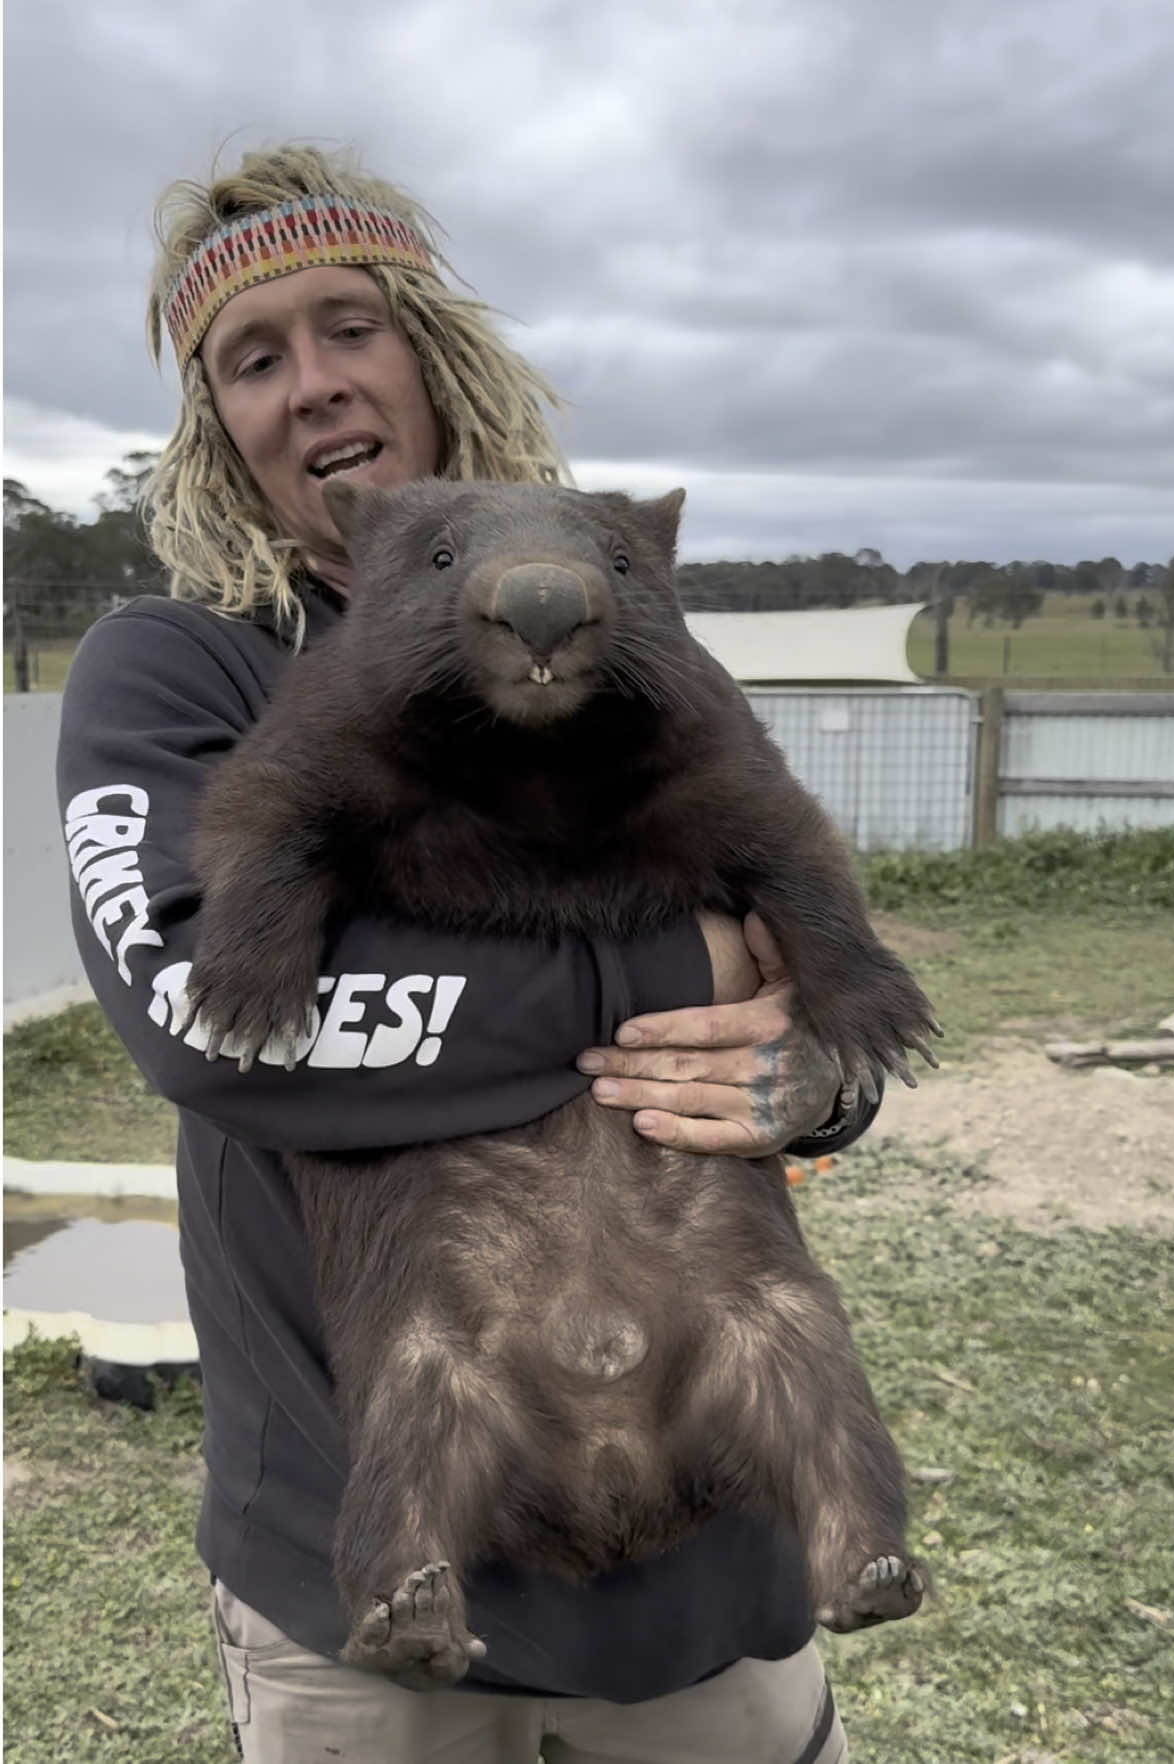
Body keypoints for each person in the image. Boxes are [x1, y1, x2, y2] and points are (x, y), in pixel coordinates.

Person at [57, 143, 880, 1763]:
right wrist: (666, 979)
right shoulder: (180, 666)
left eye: (348, 326)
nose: (311, 382)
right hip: (362, 1558)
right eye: (252, 358)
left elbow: (784, 919)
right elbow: (202, 1020)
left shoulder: (612, 617)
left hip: (707, 1538)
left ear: (431, 353)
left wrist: (816, 1078)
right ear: (216, 425)